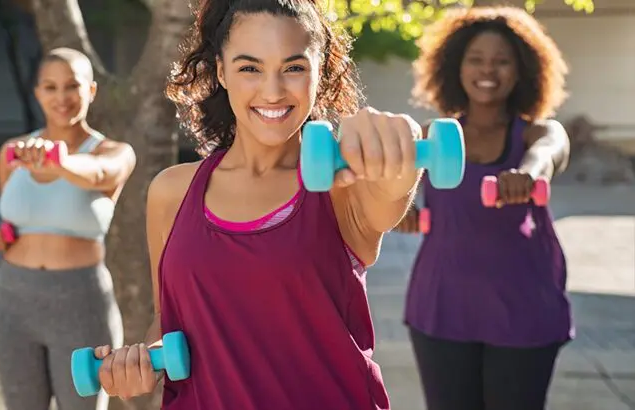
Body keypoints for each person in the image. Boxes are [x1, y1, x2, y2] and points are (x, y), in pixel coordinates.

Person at [86, 0, 447, 409]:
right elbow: (172, 320)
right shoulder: (172, 191)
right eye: (249, 68)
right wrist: (142, 364)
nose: (272, 90)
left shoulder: (343, 184)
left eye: (293, 67)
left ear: (320, 70)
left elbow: (389, 196)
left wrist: (399, 155)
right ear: (221, 70)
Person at [396, 6, 573, 410]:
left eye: (501, 61)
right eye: (475, 59)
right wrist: (397, 208)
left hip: (525, 307)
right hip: (443, 306)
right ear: (455, 66)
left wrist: (527, 173)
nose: (487, 70)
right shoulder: (432, 136)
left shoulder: (537, 132)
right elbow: (391, 189)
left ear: (522, 70)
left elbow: (550, 152)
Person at [0, 47, 136, 410]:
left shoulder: (113, 152)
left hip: (81, 302)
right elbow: (15, 229)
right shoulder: (12, 153)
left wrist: (58, 162)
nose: (62, 98)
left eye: (72, 86)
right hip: (11, 301)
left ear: (91, 90)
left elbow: (98, 175)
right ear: (37, 93)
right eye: (50, 87)